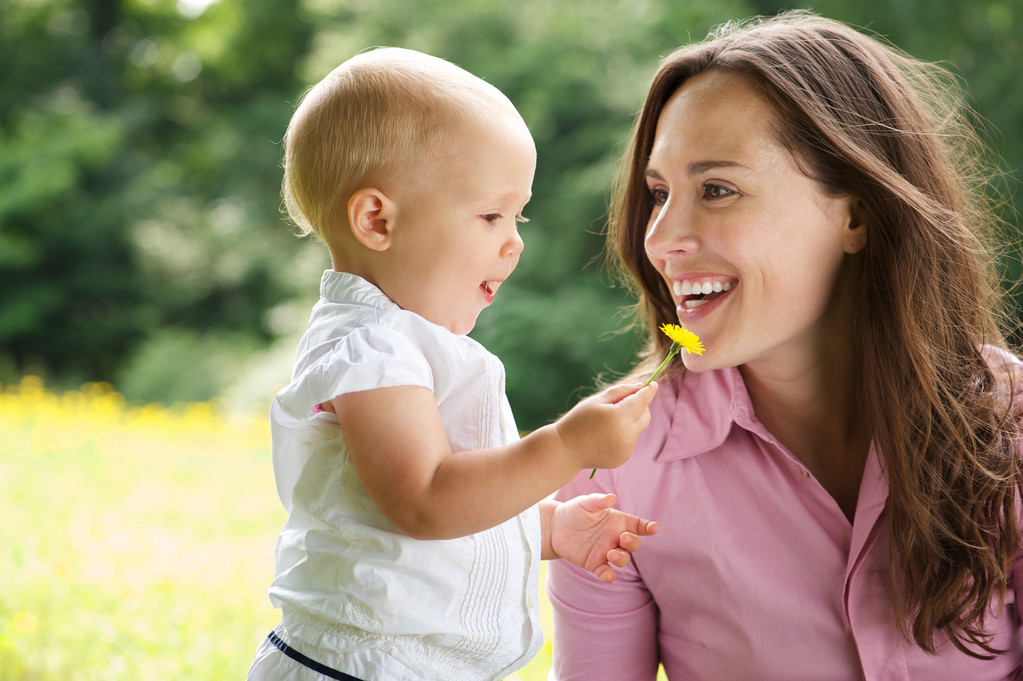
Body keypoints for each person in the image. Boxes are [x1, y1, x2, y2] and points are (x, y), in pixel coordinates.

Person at [548, 10, 1023, 680]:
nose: (659, 237)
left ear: (854, 214)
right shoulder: (615, 470)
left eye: (716, 189)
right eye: (657, 194)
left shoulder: (1013, 425)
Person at [244, 47, 659, 681]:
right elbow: (427, 502)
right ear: (377, 220)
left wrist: (548, 529)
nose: (514, 239)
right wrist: (568, 445)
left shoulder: (403, 343)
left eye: (517, 216)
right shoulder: (373, 349)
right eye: (491, 214)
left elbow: (439, 516)